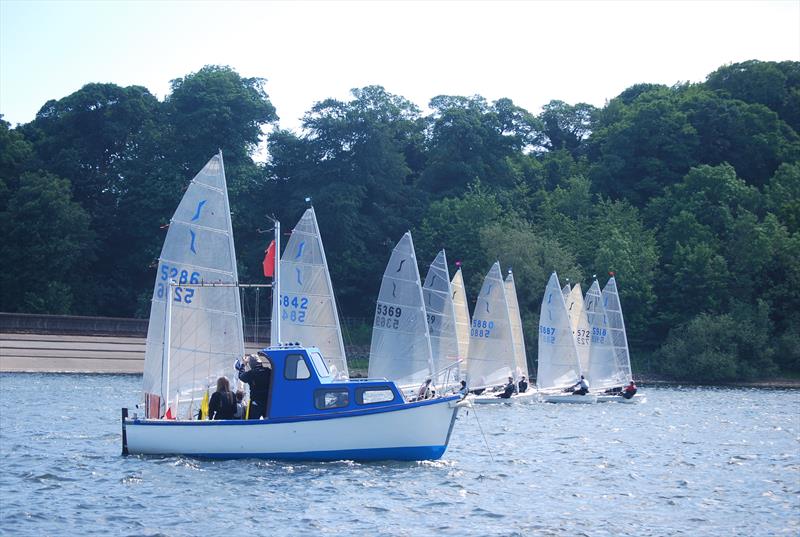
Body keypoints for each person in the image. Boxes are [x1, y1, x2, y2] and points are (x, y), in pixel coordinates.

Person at [237, 353, 272, 419]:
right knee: (268, 422)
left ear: (251, 364)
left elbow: (241, 376)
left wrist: (243, 364)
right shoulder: (268, 371)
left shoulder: (251, 373)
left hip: (256, 403)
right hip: (268, 402)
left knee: (252, 423)